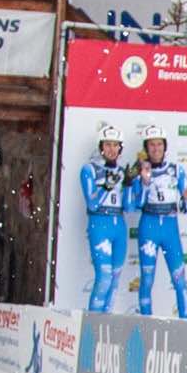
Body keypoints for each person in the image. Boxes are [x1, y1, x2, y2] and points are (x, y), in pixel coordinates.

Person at [125, 129, 187, 318]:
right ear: (146, 148)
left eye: (159, 144)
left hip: (170, 227)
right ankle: (147, 320)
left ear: (165, 147)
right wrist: (144, 184)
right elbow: (136, 205)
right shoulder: (141, 172)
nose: (156, 149)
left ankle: (185, 323)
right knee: (146, 279)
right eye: (152, 145)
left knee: (179, 279)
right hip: (149, 226)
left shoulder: (176, 170)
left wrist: (186, 200)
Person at [78, 125, 133, 313]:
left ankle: (107, 326)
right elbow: (92, 203)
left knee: (115, 280)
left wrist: (130, 186)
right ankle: (92, 326)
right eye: (108, 144)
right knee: (104, 277)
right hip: (99, 224)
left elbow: (129, 207)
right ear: (101, 146)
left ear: (120, 148)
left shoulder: (122, 171)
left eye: (115, 145)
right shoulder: (90, 169)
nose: (111, 149)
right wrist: (107, 186)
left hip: (119, 226)